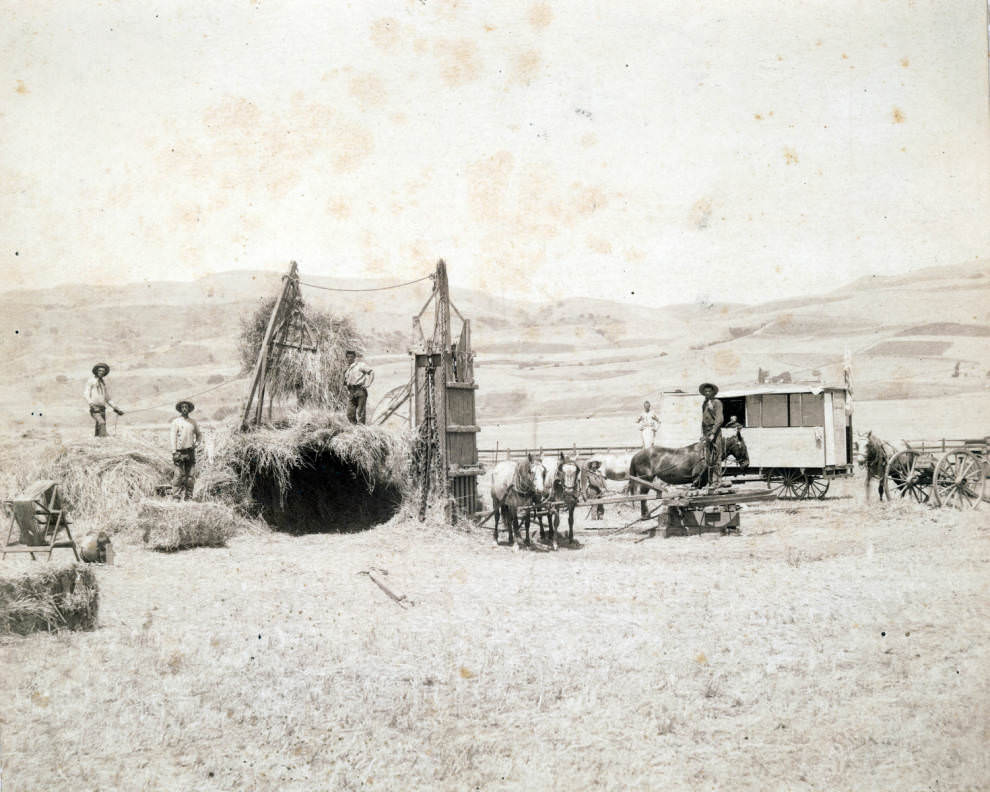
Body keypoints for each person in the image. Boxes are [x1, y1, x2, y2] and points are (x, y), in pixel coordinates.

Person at [170, 400, 202, 500]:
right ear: (180, 409)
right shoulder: (176, 422)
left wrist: (196, 444)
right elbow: (173, 437)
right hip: (179, 452)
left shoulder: (193, 422)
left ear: (189, 409)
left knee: (190, 476)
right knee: (178, 475)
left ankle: (188, 497)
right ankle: (176, 497)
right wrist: (174, 451)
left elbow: (199, 434)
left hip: (190, 452)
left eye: (186, 407)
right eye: (182, 407)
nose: (184, 409)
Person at [83, 363, 124, 438]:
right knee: (101, 423)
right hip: (94, 408)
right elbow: (86, 394)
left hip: (102, 409)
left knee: (100, 427)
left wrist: (116, 408)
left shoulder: (103, 383)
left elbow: (108, 398)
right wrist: (91, 405)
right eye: (100, 370)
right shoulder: (91, 381)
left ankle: (98, 442)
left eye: (103, 371)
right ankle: (104, 440)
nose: (101, 372)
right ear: (96, 371)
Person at [699, 382, 724, 488]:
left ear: (713, 392)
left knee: (716, 455)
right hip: (706, 432)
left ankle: (716, 481)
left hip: (715, 432)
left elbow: (719, 419)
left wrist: (713, 433)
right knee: (706, 456)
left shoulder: (717, 402)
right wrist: (703, 434)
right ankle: (709, 481)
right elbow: (703, 420)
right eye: (706, 391)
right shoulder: (704, 403)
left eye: (709, 391)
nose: (707, 393)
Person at [344, 350, 374, 424]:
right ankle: (354, 428)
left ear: (354, 357)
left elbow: (371, 372)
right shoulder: (347, 369)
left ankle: (361, 429)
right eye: (348, 357)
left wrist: (368, 384)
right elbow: (346, 381)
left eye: (351, 357)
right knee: (350, 413)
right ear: (346, 358)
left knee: (361, 412)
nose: (349, 359)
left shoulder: (360, 365)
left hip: (360, 390)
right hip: (351, 391)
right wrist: (346, 387)